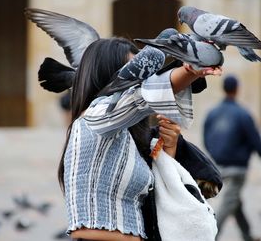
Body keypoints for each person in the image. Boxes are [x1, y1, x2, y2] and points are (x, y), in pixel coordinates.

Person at [59, 37, 222, 241]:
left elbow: (158, 204)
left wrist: (167, 150)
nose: (141, 80)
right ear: (107, 76)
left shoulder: (126, 136)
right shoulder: (93, 118)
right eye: (134, 73)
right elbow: (141, 98)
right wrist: (190, 70)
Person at [203, 75, 261, 241]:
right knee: (229, 203)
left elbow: (206, 138)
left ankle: (247, 235)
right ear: (237, 89)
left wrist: (215, 155)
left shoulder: (213, 113)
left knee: (235, 202)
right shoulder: (244, 114)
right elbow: (256, 141)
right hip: (237, 169)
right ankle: (211, 235)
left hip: (219, 165)